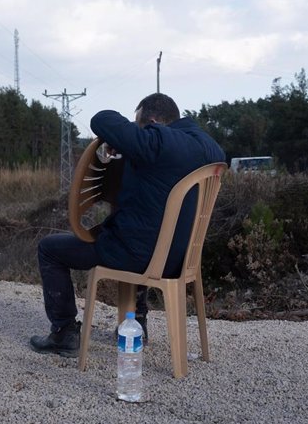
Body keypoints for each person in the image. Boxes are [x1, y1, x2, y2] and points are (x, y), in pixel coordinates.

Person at [30, 93, 225, 358]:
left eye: (141, 125)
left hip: (144, 257)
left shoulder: (159, 141)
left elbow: (102, 119)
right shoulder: (210, 147)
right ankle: (138, 323)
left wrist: (132, 133)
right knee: (143, 231)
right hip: (182, 258)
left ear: (154, 121)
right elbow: (161, 166)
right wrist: (130, 146)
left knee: (49, 249)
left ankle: (64, 333)